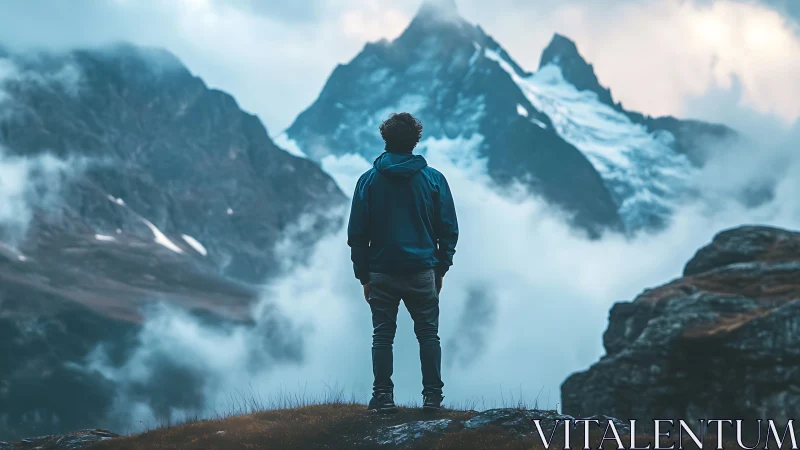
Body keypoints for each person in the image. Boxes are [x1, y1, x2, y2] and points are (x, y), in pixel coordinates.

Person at [347, 112, 459, 414]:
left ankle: (382, 397)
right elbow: (448, 229)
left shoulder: (367, 181)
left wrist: (364, 276)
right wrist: (440, 267)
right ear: (415, 140)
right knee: (428, 334)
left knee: (383, 334)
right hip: (422, 269)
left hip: (381, 270)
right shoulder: (434, 179)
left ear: (385, 139)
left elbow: (357, 234)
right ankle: (433, 398)